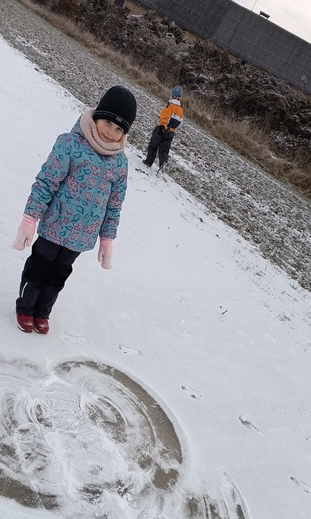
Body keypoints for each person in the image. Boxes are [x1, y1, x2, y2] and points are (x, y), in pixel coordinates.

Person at [13, 85, 137, 335]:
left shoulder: (120, 163)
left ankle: (43, 312)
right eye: (108, 123)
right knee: (39, 267)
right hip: (55, 225)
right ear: (97, 116)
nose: (111, 132)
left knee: (58, 275)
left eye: (119, 129)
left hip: (82, 236)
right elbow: (47, 182)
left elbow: (114, 204)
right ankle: (25, 308)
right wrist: (30, 218)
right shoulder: (70, 144)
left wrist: (107, 239)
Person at [142, 86, 183, 172]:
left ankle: (148, 162)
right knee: (164, 149)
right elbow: (180, 122)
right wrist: (172, 129)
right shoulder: (180, 110)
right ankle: (163, 163)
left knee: (153, 145)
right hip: (171, 132)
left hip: (162, 129)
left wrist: (162, 126)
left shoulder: (170, 106)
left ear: (173, 96)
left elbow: (165, 117)